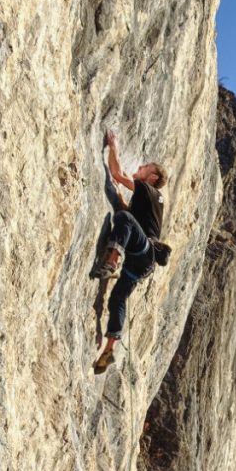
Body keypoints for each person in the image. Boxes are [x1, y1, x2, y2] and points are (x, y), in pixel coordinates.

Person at [93, 130, 168, 374]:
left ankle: (112, 260)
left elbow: (117, 173)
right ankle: (108, 349)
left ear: (152, 176)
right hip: (144, 262)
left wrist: (113, 147)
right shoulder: (153, 201)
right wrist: (120, 200)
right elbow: (136, 219)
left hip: (142, 250)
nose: (140, 167)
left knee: (122, 217)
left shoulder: (147, 190)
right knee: (117, 299)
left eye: (145, 167)